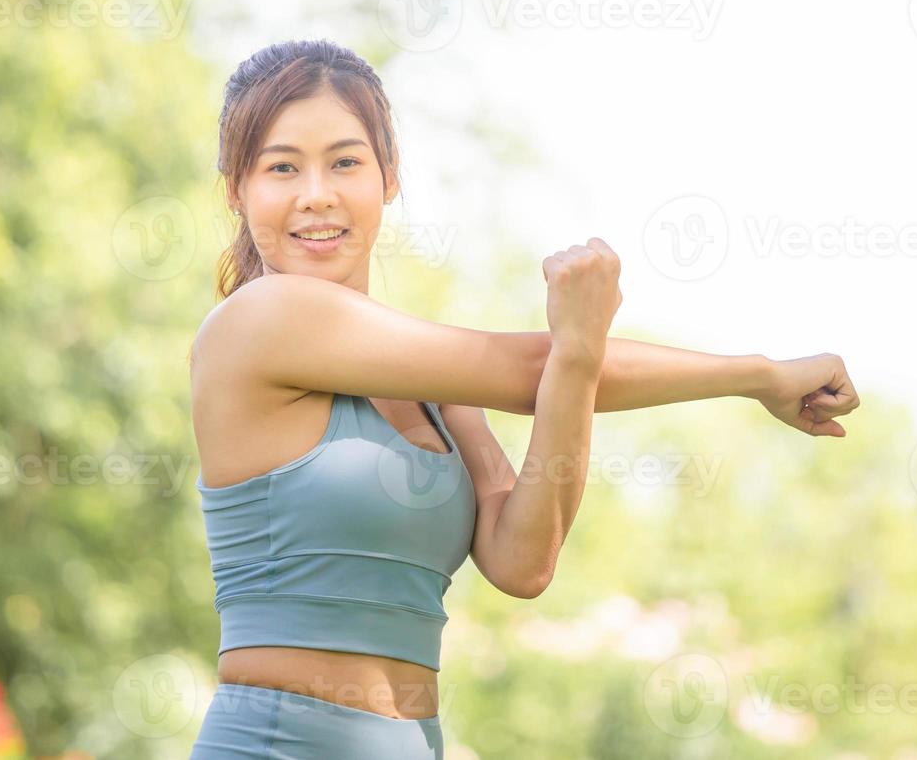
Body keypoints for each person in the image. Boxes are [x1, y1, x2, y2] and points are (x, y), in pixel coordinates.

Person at [186, 39, 860, 758]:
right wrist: (757, 373)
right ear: (237, 188)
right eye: (281, 166)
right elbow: (525, 365)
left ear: (388, 178)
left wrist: (577, 354)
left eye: (345, 162)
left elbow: (523, 562)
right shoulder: (258, 323)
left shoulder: (436, 389)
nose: (316, 193)